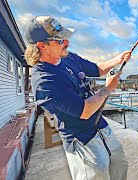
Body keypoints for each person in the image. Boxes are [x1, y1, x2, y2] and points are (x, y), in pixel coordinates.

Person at [24, 16, 131, 180]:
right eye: (60, 40)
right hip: (79, 136)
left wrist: (118, 59)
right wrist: (108, 87)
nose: (66, 43)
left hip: (99, 124)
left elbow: (97, 69)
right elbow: (85, 111)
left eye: (66, 38)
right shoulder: (44, 81)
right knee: (98, 172)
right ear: (42, 45)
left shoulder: (68, 57)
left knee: (119, 162)